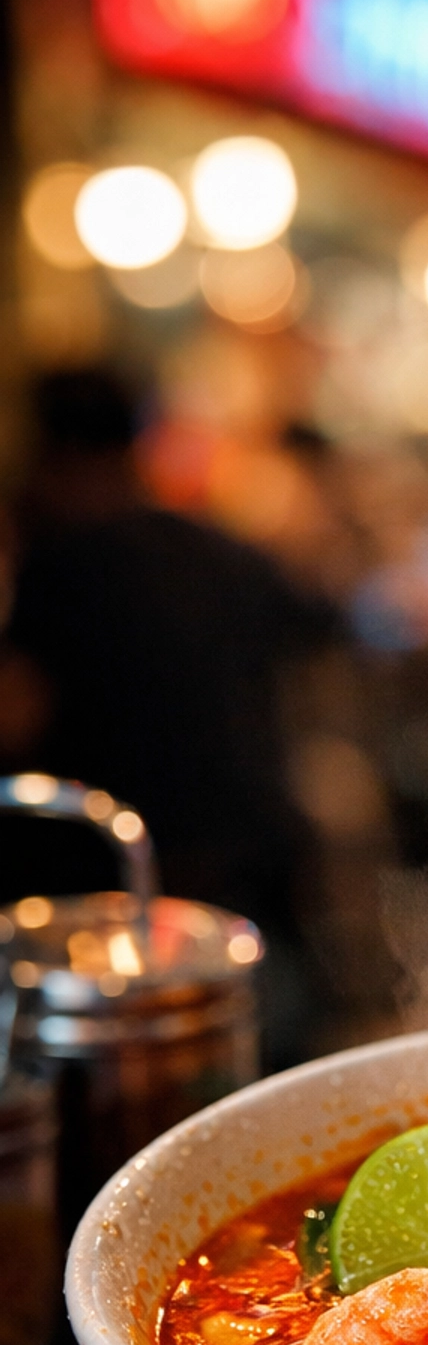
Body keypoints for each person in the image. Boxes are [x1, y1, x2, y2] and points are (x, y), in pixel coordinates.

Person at [1, 368, 332, 936]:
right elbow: (322, 623)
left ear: (50, 455)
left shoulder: (55, 569)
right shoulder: (217, 550)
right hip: (258, 867)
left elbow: (16, 716)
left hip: (122, 888)